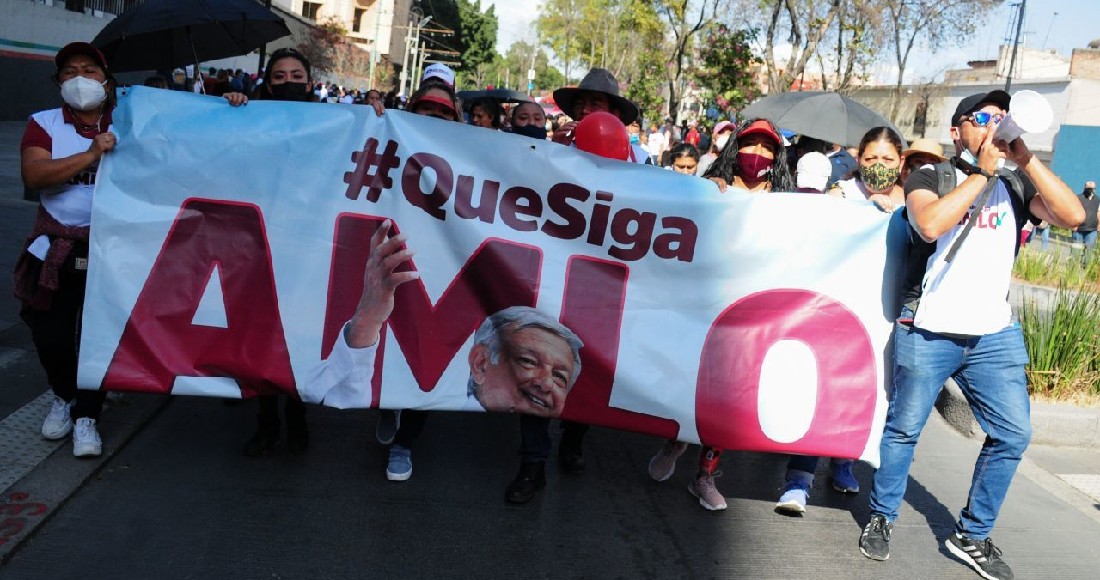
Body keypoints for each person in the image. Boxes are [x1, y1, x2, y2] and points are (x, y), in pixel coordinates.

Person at [857, 90, 1085, 580]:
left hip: (993, 335)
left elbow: (1075, 217)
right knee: (904, 429)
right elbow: (929, 224)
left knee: (1013, 433)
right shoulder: (930, 176)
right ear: (957, 129)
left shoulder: (1017, 184)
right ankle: (882, 515)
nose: (995, 125)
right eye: (984, 117)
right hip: (930, 328)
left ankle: (972, 534)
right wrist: (981, 173)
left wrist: (1026, 160)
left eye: (1002, 118)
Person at [647, 116, 792, 512]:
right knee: (693, 384)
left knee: (728, 397)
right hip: (705, 304)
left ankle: (704, 476)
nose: (758, 153)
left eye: (767, 147)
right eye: (751, 144)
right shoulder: (714, 186)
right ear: (735, 147)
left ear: (777, 156)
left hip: (751, 311)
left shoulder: (786, 201)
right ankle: (675, 441)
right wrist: (705, 193)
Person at [16, 42, 119, 457]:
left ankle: (88, 415)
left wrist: (228, 104)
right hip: (55, 248)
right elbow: (36, 174)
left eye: (90, 70)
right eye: (70, 71)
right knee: (51, 336)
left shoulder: (128, 121)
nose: (80, 79)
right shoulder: (43, 123)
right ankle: (64, 395)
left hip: (112, 250)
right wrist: (91, 153)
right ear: (58, 81)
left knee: (100, 336)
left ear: (106, 81)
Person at [232, 47, 322, 457]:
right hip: (258, 245)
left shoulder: (334, 124)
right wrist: (230, 109)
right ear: (267, 84)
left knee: (299, 335)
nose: (289, 83)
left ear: (310, 82)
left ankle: (297, 414)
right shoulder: (251, 118)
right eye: (280, 77)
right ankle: (266, 419)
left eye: (297, 76)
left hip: (308, 247)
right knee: (261, 334)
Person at [551, 68, 649, 164]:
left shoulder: (639, 159)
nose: (584, 110)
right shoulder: (562, 151)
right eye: (579, 103)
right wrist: (555, 151)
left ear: (615, 114)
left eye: (595, 104)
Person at [701, 117, 794, 194]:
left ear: (775, 157)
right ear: (735, 150)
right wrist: (706, 186)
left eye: (767, 147)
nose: (757, 152)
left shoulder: (781, 198)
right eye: (749, 144)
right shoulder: (716, 186)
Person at [828, 126, 906, 212]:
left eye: (888, 159)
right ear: (859, 161)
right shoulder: (841, 194)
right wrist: (868, 207)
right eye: (870, 159)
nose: (878, 167)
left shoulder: (912, 197)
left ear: (901, 163)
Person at [1072, 181, 1098, 257]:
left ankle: (1086, 264)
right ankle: (1074, 264)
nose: (1090, 190)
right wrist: (1073, 225)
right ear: (1084, 188)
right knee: (1075, 251)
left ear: (1094, 189)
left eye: (1092, 189)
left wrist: (1098, 227)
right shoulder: (1078, 198)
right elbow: (1073, 211)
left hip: (1092, 230)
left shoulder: (1098, 200)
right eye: (1088, 188)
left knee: (1089, 252)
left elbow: (1098, 213)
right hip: (1078, 229)